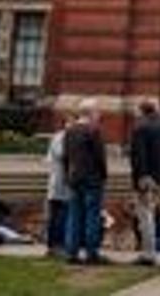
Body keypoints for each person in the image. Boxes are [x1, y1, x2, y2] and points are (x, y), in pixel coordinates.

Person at [63, 98, 109, 264]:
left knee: (74, 215)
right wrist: (104, 176)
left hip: (74, 178)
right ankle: (91, 252)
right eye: (97, 111)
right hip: (92, 179)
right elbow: (100, 157)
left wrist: (68, 175)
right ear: (90, 113)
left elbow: (66, 157)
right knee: (92, 216)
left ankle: (71, 252)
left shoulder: (70, 130)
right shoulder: (93, 131)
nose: (99, 114)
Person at [130, 99, 160, 265]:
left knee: (145, 216)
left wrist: (142, 176)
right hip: (159, 176)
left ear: (141, 111)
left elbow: (138, 155)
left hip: (145, 178)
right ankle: (149, 251)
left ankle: (148, 254)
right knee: (150, 212)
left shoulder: (140, 127)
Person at [44, 117, 72, 256]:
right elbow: (60, 155)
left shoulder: (64, 137)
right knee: (58, 215)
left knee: (60, 215)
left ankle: (57, 244)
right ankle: (56, 245)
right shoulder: (60, 138)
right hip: (59, 183)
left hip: (63, 184)